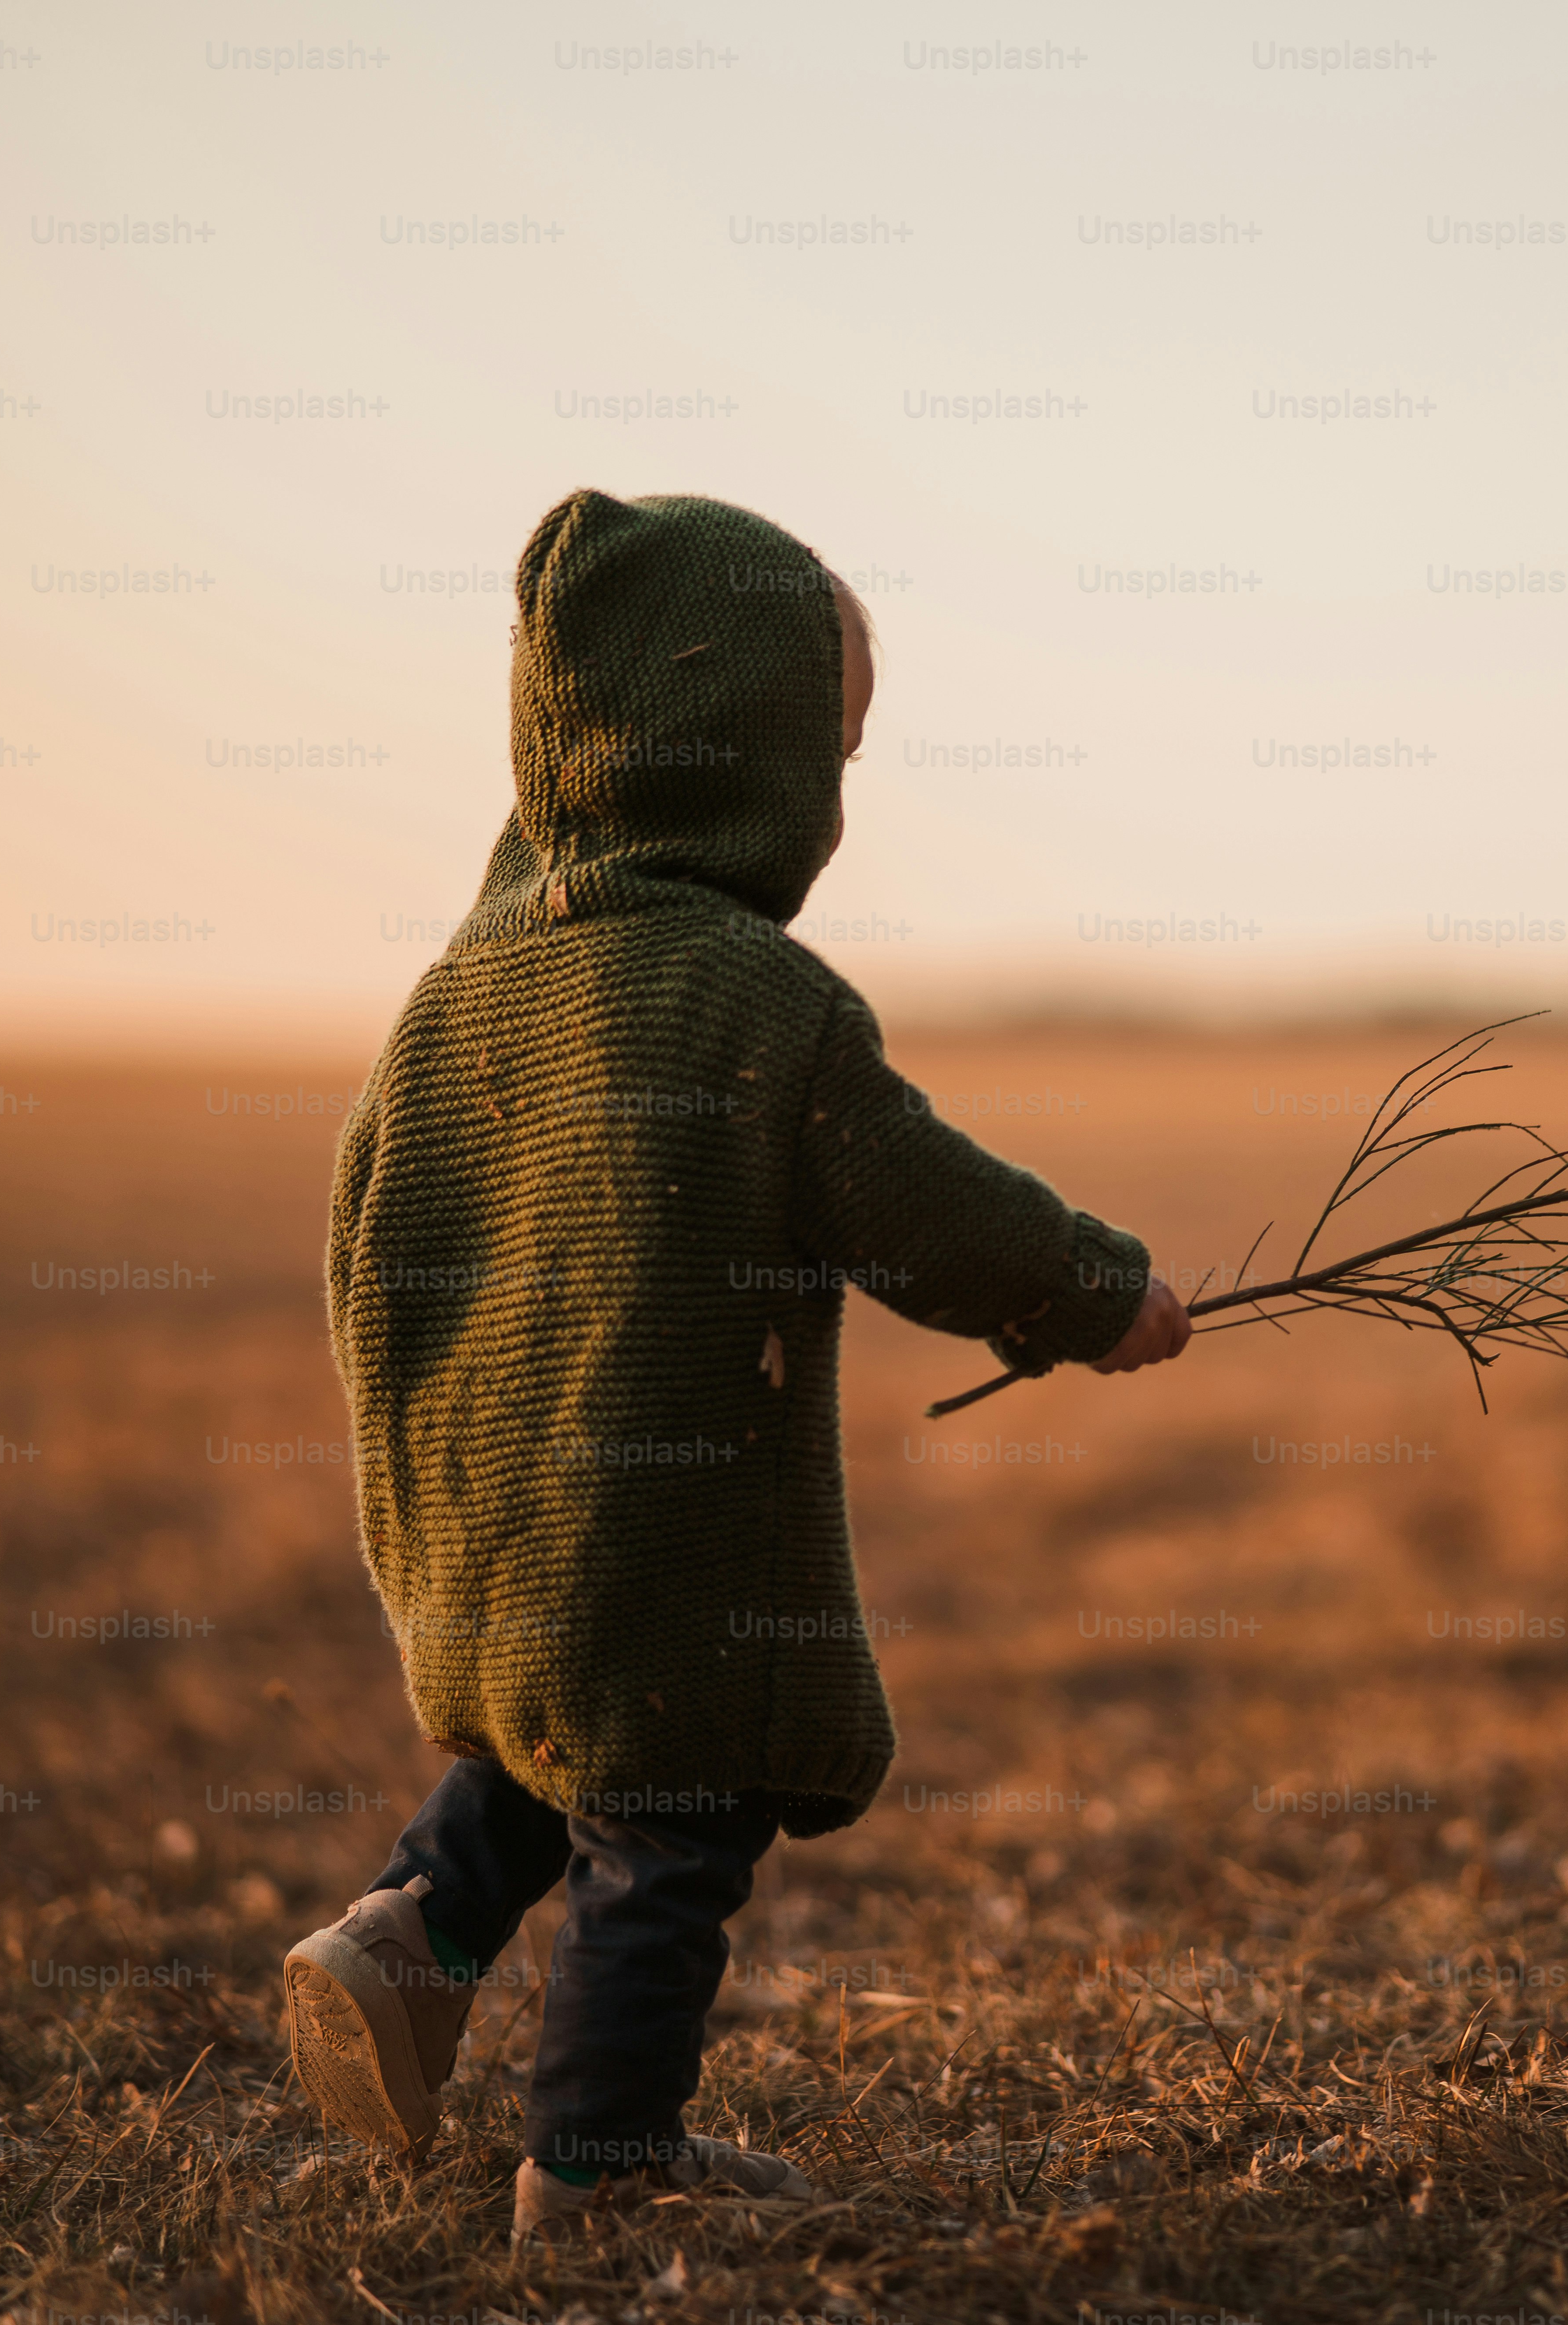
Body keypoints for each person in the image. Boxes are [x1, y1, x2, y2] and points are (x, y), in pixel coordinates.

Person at [281, 491, 1188, 2248]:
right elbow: (914, 1198)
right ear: (747, 754)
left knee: (554, 1744)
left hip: (483, 1515)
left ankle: (400, 1942)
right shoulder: (759, 1000)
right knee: (671, 1819)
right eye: (829, 743)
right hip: (661, 1519)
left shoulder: (456, 992)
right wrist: (1089, 1292)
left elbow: (360, 1236)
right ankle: (600, 2167)